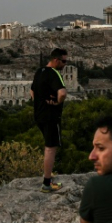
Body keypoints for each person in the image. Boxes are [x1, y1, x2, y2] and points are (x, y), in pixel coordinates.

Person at [30, 48, 68, 193]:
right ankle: (47, 183)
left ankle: (48, 178)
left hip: (39, 115)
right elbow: (63, 93)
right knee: (51, 148)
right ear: (56, 60)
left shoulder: (40, 72)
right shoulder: (55, 73)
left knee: (48, 145)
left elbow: (32, 90)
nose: (65, 64)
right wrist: (57, 102)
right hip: (51, 116)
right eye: (63, 61)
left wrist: (40, 102)